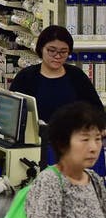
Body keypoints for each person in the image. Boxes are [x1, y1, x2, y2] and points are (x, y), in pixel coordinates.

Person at [10, 25, 104, 171]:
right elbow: (13, 114)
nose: (57, 56)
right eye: (51, 51)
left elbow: (96, 110)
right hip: (38, 147)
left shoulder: (76, 76)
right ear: (41, 49)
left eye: (63, 52)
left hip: (74, 147)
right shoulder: (26, 78)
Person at [26, 101, 106, 218]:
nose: (94, 147)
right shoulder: (50, 182)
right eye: (85, 139)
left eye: (98, 139)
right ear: (62, 143)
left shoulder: (93, 179)